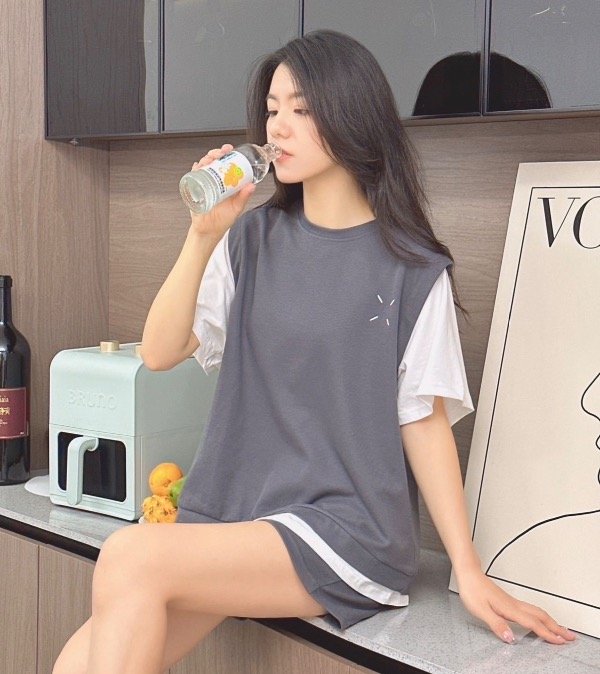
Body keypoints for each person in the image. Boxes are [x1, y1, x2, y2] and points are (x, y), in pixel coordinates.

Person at [53, 30, 575, 674]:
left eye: (301, 109)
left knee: (129, 555)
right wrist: (202, 235)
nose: (278, 127)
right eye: (273, 108)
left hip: (347, 531)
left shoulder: (412, 269)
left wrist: (466, 568)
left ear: (351, 115)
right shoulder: (249, 240)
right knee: (75, 663)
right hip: (239, 515)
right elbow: (160, 353)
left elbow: (424, 420)